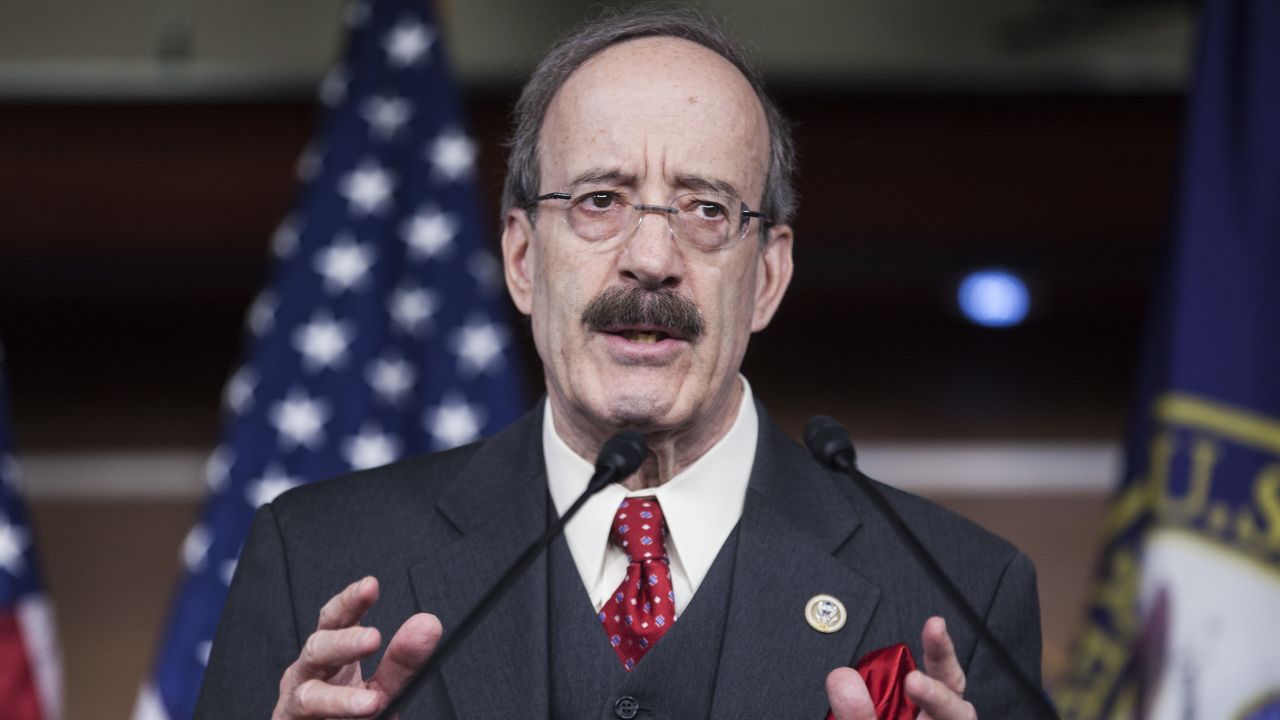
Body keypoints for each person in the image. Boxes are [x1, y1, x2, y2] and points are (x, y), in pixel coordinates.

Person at [196, 8, 1043, 719]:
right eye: (600, 200)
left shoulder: (961, 595)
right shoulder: (312, 558)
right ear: (523, 259)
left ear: (769, 276)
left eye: (705, 208)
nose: (651, 257)